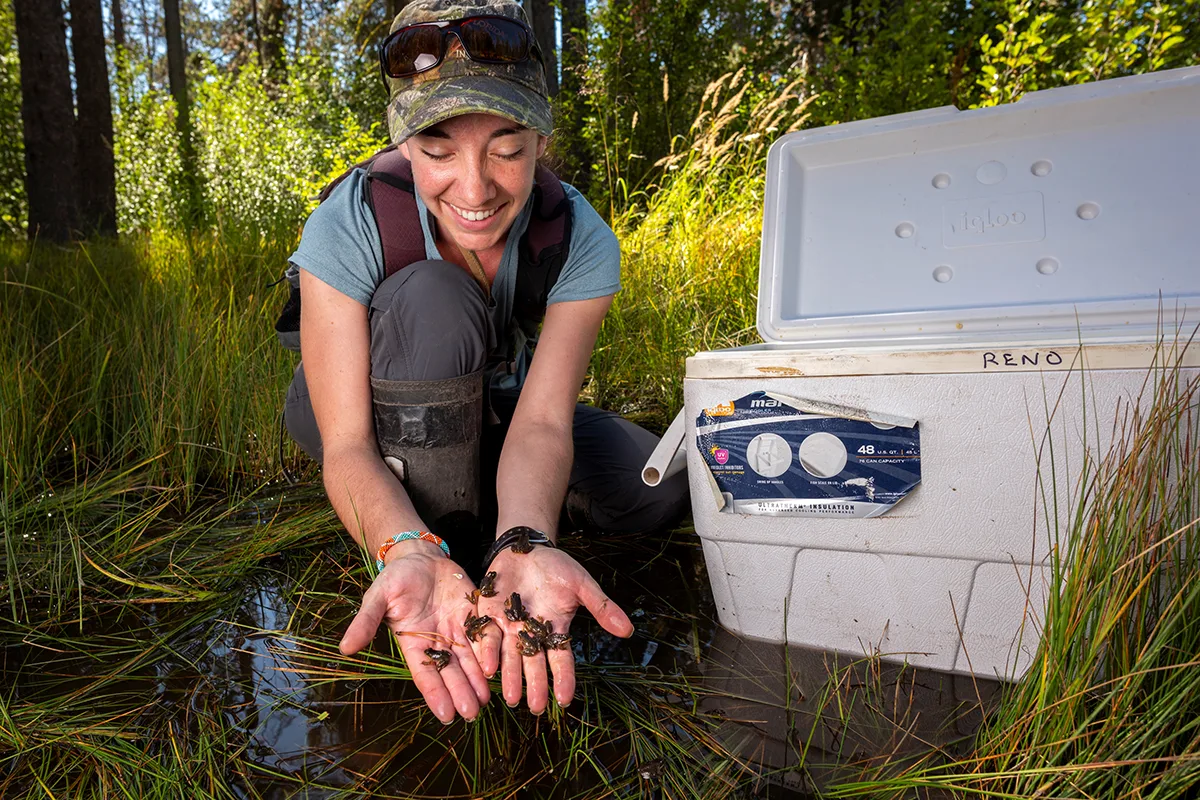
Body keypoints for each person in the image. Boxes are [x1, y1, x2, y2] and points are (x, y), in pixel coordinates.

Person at [280, 0, 689, 723]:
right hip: (359, 413)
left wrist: (526, 535)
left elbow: (541, 422)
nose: (474, 191)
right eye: (439, 150)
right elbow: (345, 444)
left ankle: (496, 528)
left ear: (540, 137)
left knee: (656, 487)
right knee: (436, 298)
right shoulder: (351, 219)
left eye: (506, 148)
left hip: (495, 404)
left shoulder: (578, 236)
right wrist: (405, 545)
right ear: (405, 144)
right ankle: (444, 539)